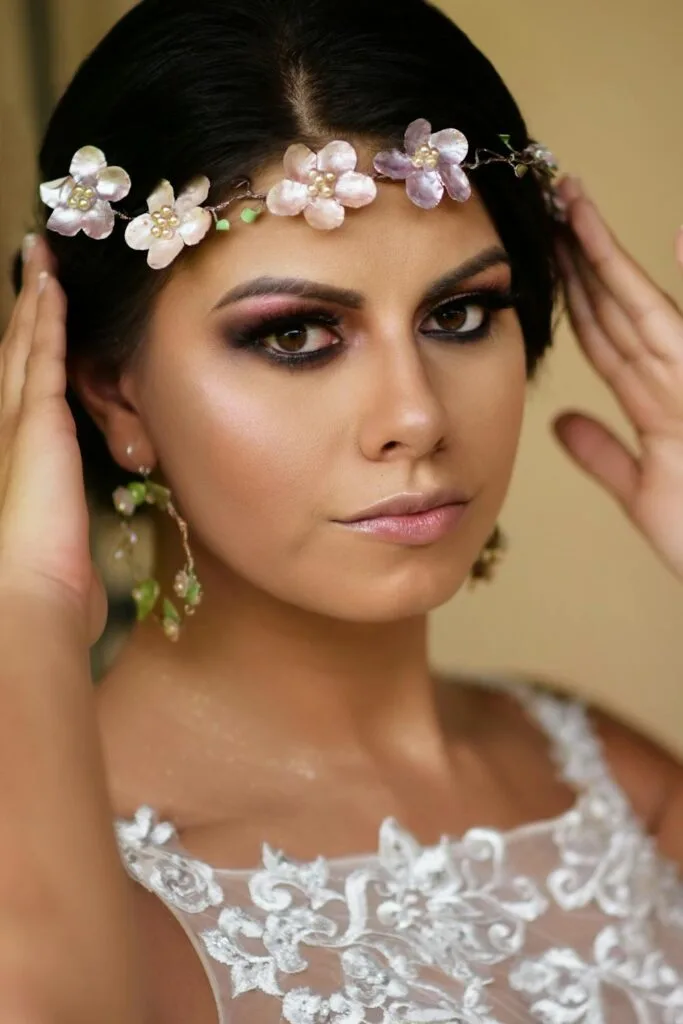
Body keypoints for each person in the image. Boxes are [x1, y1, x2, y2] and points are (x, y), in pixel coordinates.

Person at [1, 0, 683, 1020]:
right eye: (294, 336)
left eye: (458, 315)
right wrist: (29, 606)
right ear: (113, 392)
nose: (413, 414)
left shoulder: (612, 787)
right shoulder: (64, 874)